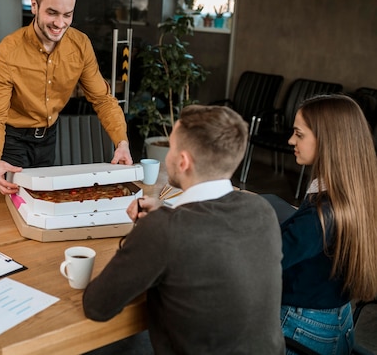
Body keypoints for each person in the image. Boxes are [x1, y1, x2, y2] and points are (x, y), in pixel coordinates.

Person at [83, 105, 285, 354]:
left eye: (171, 147)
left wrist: (151, 230)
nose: (167, 155)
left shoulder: (164, 230)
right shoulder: (262, 210)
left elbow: (97, 305)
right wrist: (166, 216)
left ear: (183, 161)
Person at [0, 0, 133, 195]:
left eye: (67, 15)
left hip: (49, 136)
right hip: (13, 139)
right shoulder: (8, 52)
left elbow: (102, 99)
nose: (60, 23)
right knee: (14, 205)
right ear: (35, 5)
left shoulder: (80, 45)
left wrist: (122, 142)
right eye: (52, 13)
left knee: (43, 200)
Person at [279, 94, 377, 354]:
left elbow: (265, 263)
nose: (291, 141)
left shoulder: (320, 216)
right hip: (337, 316)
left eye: (299, 134)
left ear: (327, 142)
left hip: (303, 325)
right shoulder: (354, 193)